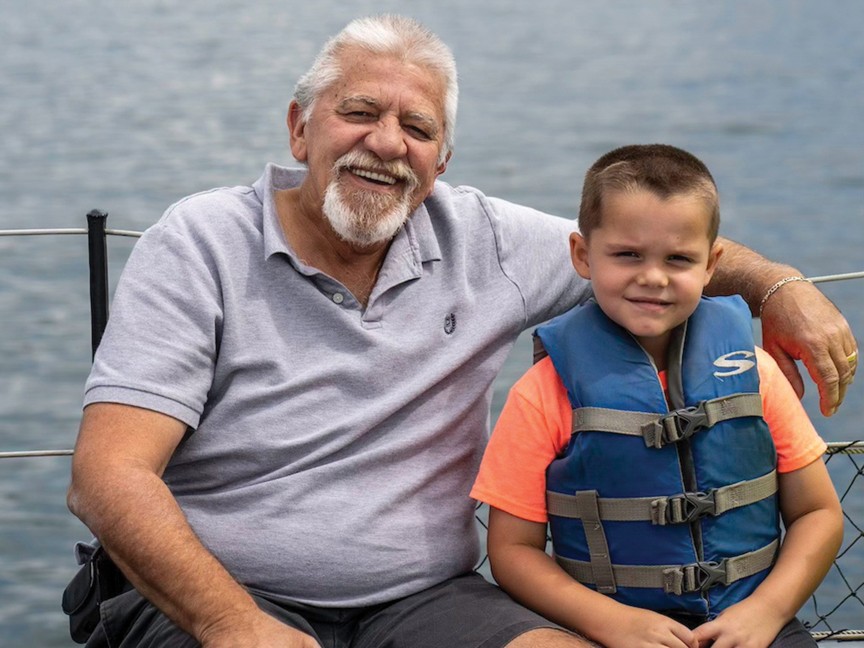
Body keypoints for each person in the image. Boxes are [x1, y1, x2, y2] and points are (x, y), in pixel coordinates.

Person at [66, 14, 856, 648]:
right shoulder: (199, 241)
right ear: (300, 129)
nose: (386, 143)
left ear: (442, 161)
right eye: (359, 112)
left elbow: (652, 255)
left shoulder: (483, 237)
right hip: (211, 595)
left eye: (417, 126)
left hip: (427, 600)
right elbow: (107, 478)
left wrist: (780, 288)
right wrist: (233, 624)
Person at [471, 144, 845, 648]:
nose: (653, 277)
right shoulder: (542, 394)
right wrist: (611, 622)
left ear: (711, 264)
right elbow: (513, 551)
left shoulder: (753, 373)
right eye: (627, 255)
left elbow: (818, 515)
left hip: (755, 623)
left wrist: (766, 611)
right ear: (582, 255)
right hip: (607, 631)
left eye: (679, 259)